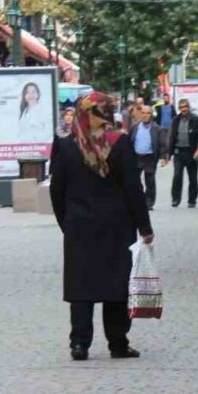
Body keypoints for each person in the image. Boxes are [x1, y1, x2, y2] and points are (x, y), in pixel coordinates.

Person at [49, 92, 153, 362]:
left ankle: (79, 344)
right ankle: (118, 343)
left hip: (79, 226)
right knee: (116, 286)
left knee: (80, 286)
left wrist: (66, 222)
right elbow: (133, 188)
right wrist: (144, 226)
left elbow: (56, 190)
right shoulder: (119, 143)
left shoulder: (67, 145)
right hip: (117, 225)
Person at [165, 98, 198, 208]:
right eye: (181, 107)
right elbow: (170, 136)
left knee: (193, 177)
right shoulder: (175, 120)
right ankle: (175, 199)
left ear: (189, 107)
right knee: (177, 176)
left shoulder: (196, 119)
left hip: (192, 152)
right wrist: (168, 152)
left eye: (185, 107)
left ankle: (192, 200)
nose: (183, 109)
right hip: (178, 152)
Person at [129, 105, 164, 210]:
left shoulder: (157, 128)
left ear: (151, 115)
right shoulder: (135, 127)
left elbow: (162, 143)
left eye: (148, 113)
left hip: (150, 157)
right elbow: (129, 140)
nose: (145, 115)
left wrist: (163, 157)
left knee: (150, 181)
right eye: (143, 113)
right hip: (136, 156)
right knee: (134, 180)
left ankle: (149, 203)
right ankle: (137, 200)